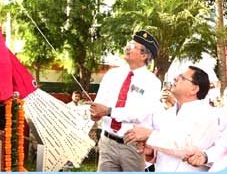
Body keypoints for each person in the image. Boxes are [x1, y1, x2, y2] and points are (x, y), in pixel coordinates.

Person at [90, 31, 162, 172]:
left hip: (133, 146)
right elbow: (100, 103)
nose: (127, 48)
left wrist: (108, 111)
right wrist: (95, 114)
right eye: (128, 44)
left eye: (133, 46)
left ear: (144, 55)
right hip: (107, 143)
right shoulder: (112, 74)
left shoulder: (152, 82)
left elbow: (140, 113)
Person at [123, 66, 219, 172]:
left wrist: (149, 135)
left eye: (182, 77)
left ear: (194, 89)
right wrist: (151, 152)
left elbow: (189, 150)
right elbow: (165, 147)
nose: (175, 78)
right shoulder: (168, 113)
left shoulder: (207, 114)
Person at [185, 86, 227, 169]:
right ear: (223, 97)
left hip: (221, 152)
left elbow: (224, 142)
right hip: (206, 149)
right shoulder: (217, 112)